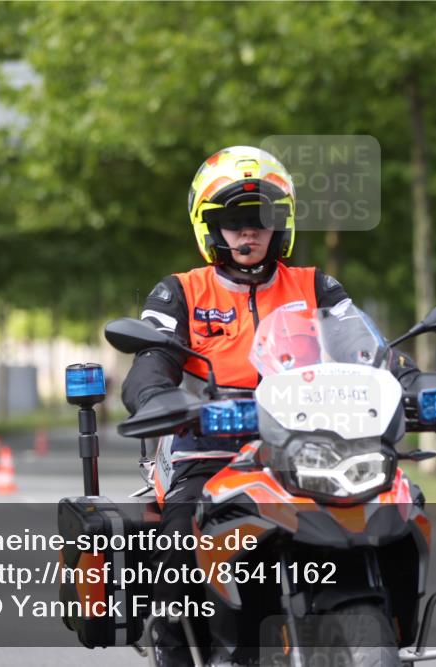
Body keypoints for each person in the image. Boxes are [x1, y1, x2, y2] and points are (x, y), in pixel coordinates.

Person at [120, 146, 419, 664]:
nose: (248, 232)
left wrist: (410, 381)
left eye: (261, 218)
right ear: (210, 228)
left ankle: (391, 618)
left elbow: (364, 347)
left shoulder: (314, 285)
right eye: (234, 221)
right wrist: (156, 395)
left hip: (312, 439)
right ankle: (181, 654)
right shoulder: (180, 292)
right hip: (209, 444)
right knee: (177, 540)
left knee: (393, 501)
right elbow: (151, 359)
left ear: (282, 225)